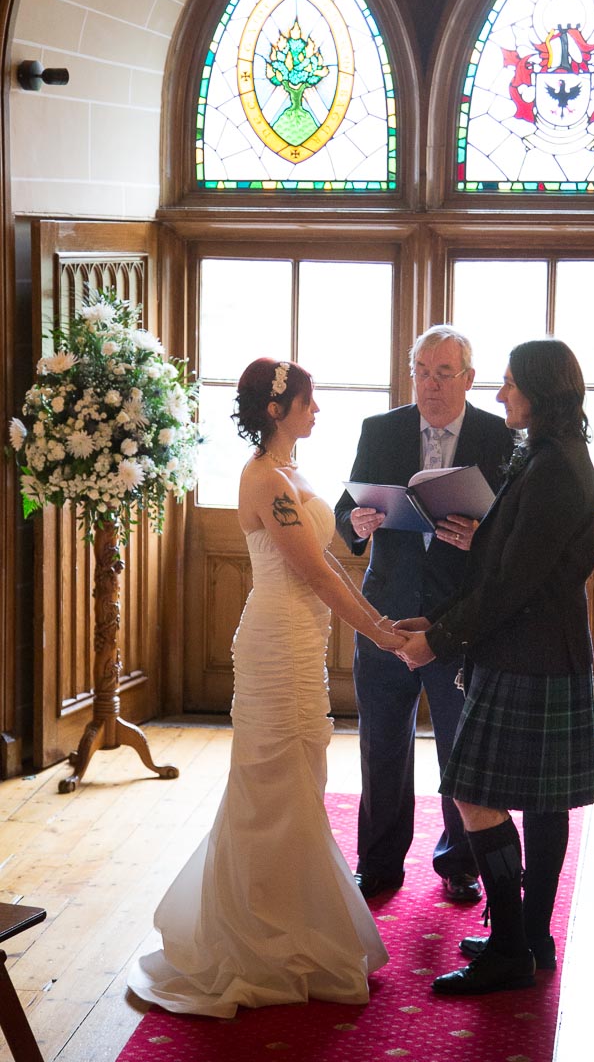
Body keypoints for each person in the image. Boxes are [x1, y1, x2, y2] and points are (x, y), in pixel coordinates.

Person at [128, 358, 406, 1015]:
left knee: (302, 776)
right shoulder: (262, 478)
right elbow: (315, 574)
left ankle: (295, 925)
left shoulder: (292, 471)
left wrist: (368, 580)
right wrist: (378, 630)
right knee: (271, 784)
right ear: (278, 410)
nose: (318, 411)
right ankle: (259, 940)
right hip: (275, 645)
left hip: (302, 643)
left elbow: (328, 554)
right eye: (309, 402)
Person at [396, 338, 594, 996]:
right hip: (537, 651)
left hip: (529, 656)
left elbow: (513, 584)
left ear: (539, 391)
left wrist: (439, 639)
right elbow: (505, 563)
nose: (499, 393)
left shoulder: (554, 468)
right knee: (542, 804)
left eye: (510, 382)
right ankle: (530, 939)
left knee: (473, 795)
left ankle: (513, 947)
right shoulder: (545, 454)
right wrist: (439, 618)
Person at [335, 326, 513, 902]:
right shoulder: (381, 429)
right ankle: (379, 863)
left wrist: (481, 538)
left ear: (469, 378)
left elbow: (514, 530)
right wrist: (355, 523)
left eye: (443, 373)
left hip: (459, 618)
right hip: (386, 612)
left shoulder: (498, 437)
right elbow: (345, 509)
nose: (430, 385)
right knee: (381, 744)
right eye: (421, 372)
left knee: (461, 748)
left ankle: (461, 862)